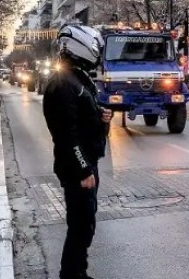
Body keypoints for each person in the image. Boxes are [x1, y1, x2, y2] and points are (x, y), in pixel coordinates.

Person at [42, 24, 112, 279]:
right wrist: (83, 169)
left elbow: (85, 119)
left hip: (86, 162)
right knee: (80, 225)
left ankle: (77, 272)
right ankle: (71, 275)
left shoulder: (78, 78)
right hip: (76, 168)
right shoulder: (62, 84)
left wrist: (103, 116)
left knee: (85, 223)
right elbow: (66, 135)